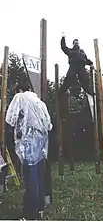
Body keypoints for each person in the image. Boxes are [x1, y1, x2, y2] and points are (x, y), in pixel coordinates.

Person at [5, 82, 53, 220]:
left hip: (28, 144)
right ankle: (40, 209)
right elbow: (49, 125)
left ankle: (29, 215)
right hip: (41, 143)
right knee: (38, 176)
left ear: (19, 89)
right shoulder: (40, 102)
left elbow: (10, 119)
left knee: (30, 179)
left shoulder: (20, 97)